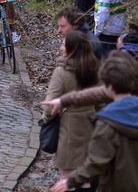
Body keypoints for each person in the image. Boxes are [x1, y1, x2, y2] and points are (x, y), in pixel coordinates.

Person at [45, 42, 138, 191]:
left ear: (110, 85)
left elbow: (96, 162)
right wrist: (65, 100)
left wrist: (71, 181)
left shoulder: (111, 122)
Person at [42, 31, 99, 184]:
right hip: (91, 129)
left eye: (63, 44)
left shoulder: (61, 72)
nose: (60, 48)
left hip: (69, 133)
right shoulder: (94, 69)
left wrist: (45, 120)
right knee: (85, 180)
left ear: (71, 49)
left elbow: (50, 106)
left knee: (67, 180)